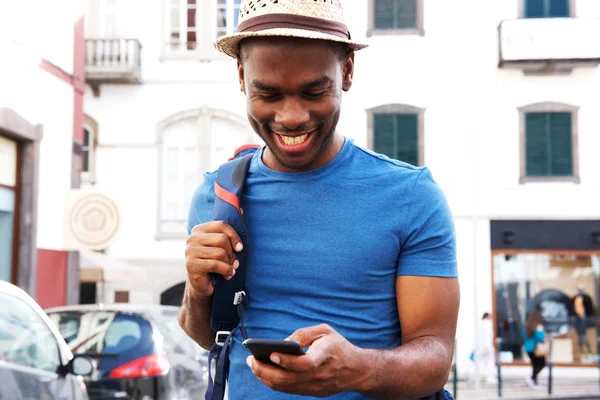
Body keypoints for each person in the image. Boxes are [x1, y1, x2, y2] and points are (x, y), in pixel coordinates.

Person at [179, 0, 460, 398]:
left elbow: (435, 360)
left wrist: (358, 370)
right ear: (242, 76)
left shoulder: (412, 196)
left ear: (346, 71)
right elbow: (208, 336)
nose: (291, 116)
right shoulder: (217, 196)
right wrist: (195, 286)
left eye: (314, 91)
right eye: (269, 94)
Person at [523, 311, 547, 391]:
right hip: (536, 349)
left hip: (528, 349)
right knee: (541, 364)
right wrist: (540, 330)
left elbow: (524, 337)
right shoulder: (537, 327)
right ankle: (531, 378)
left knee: (535, 365)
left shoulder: (527, 326)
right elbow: (541, 338)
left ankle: (534, 382)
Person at [477, 312, 497, 384]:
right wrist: (489, 347)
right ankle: (489, 377)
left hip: (482, 346)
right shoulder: (487, 324)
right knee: (490, 362)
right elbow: (487, 336)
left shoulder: (480, 324)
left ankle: (482, 376)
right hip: (487, 346)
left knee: (483, 362)